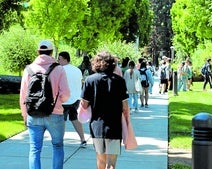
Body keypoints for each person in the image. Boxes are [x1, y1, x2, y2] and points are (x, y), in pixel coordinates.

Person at [19, 40, 70, 169]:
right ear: (51, 52)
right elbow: (66, 94)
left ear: (38, 52)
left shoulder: (29, 69)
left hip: (34, 114)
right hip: (55, 113)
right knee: (57, 146)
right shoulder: (58, 69)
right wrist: (58, 101)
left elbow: (23, 95)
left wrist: (25, 115)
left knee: (35, 149)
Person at [79, 51, 131, 169]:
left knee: (100, 160)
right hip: (114, 126)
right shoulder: (119, 81)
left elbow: (85, 104)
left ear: (96, 63)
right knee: (111, 163)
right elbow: (125, 106)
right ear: (113, 64)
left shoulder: (90, 80)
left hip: (97, 126)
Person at [58, 51, 87, 148]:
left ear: (65, 59)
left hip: (64, 99)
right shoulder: (77, 70)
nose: (58, 60)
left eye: (59, 59)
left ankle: (59, 140)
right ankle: (83, 139)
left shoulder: (60, 70)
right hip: (76, 98)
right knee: (75, 119)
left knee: (61, 120)